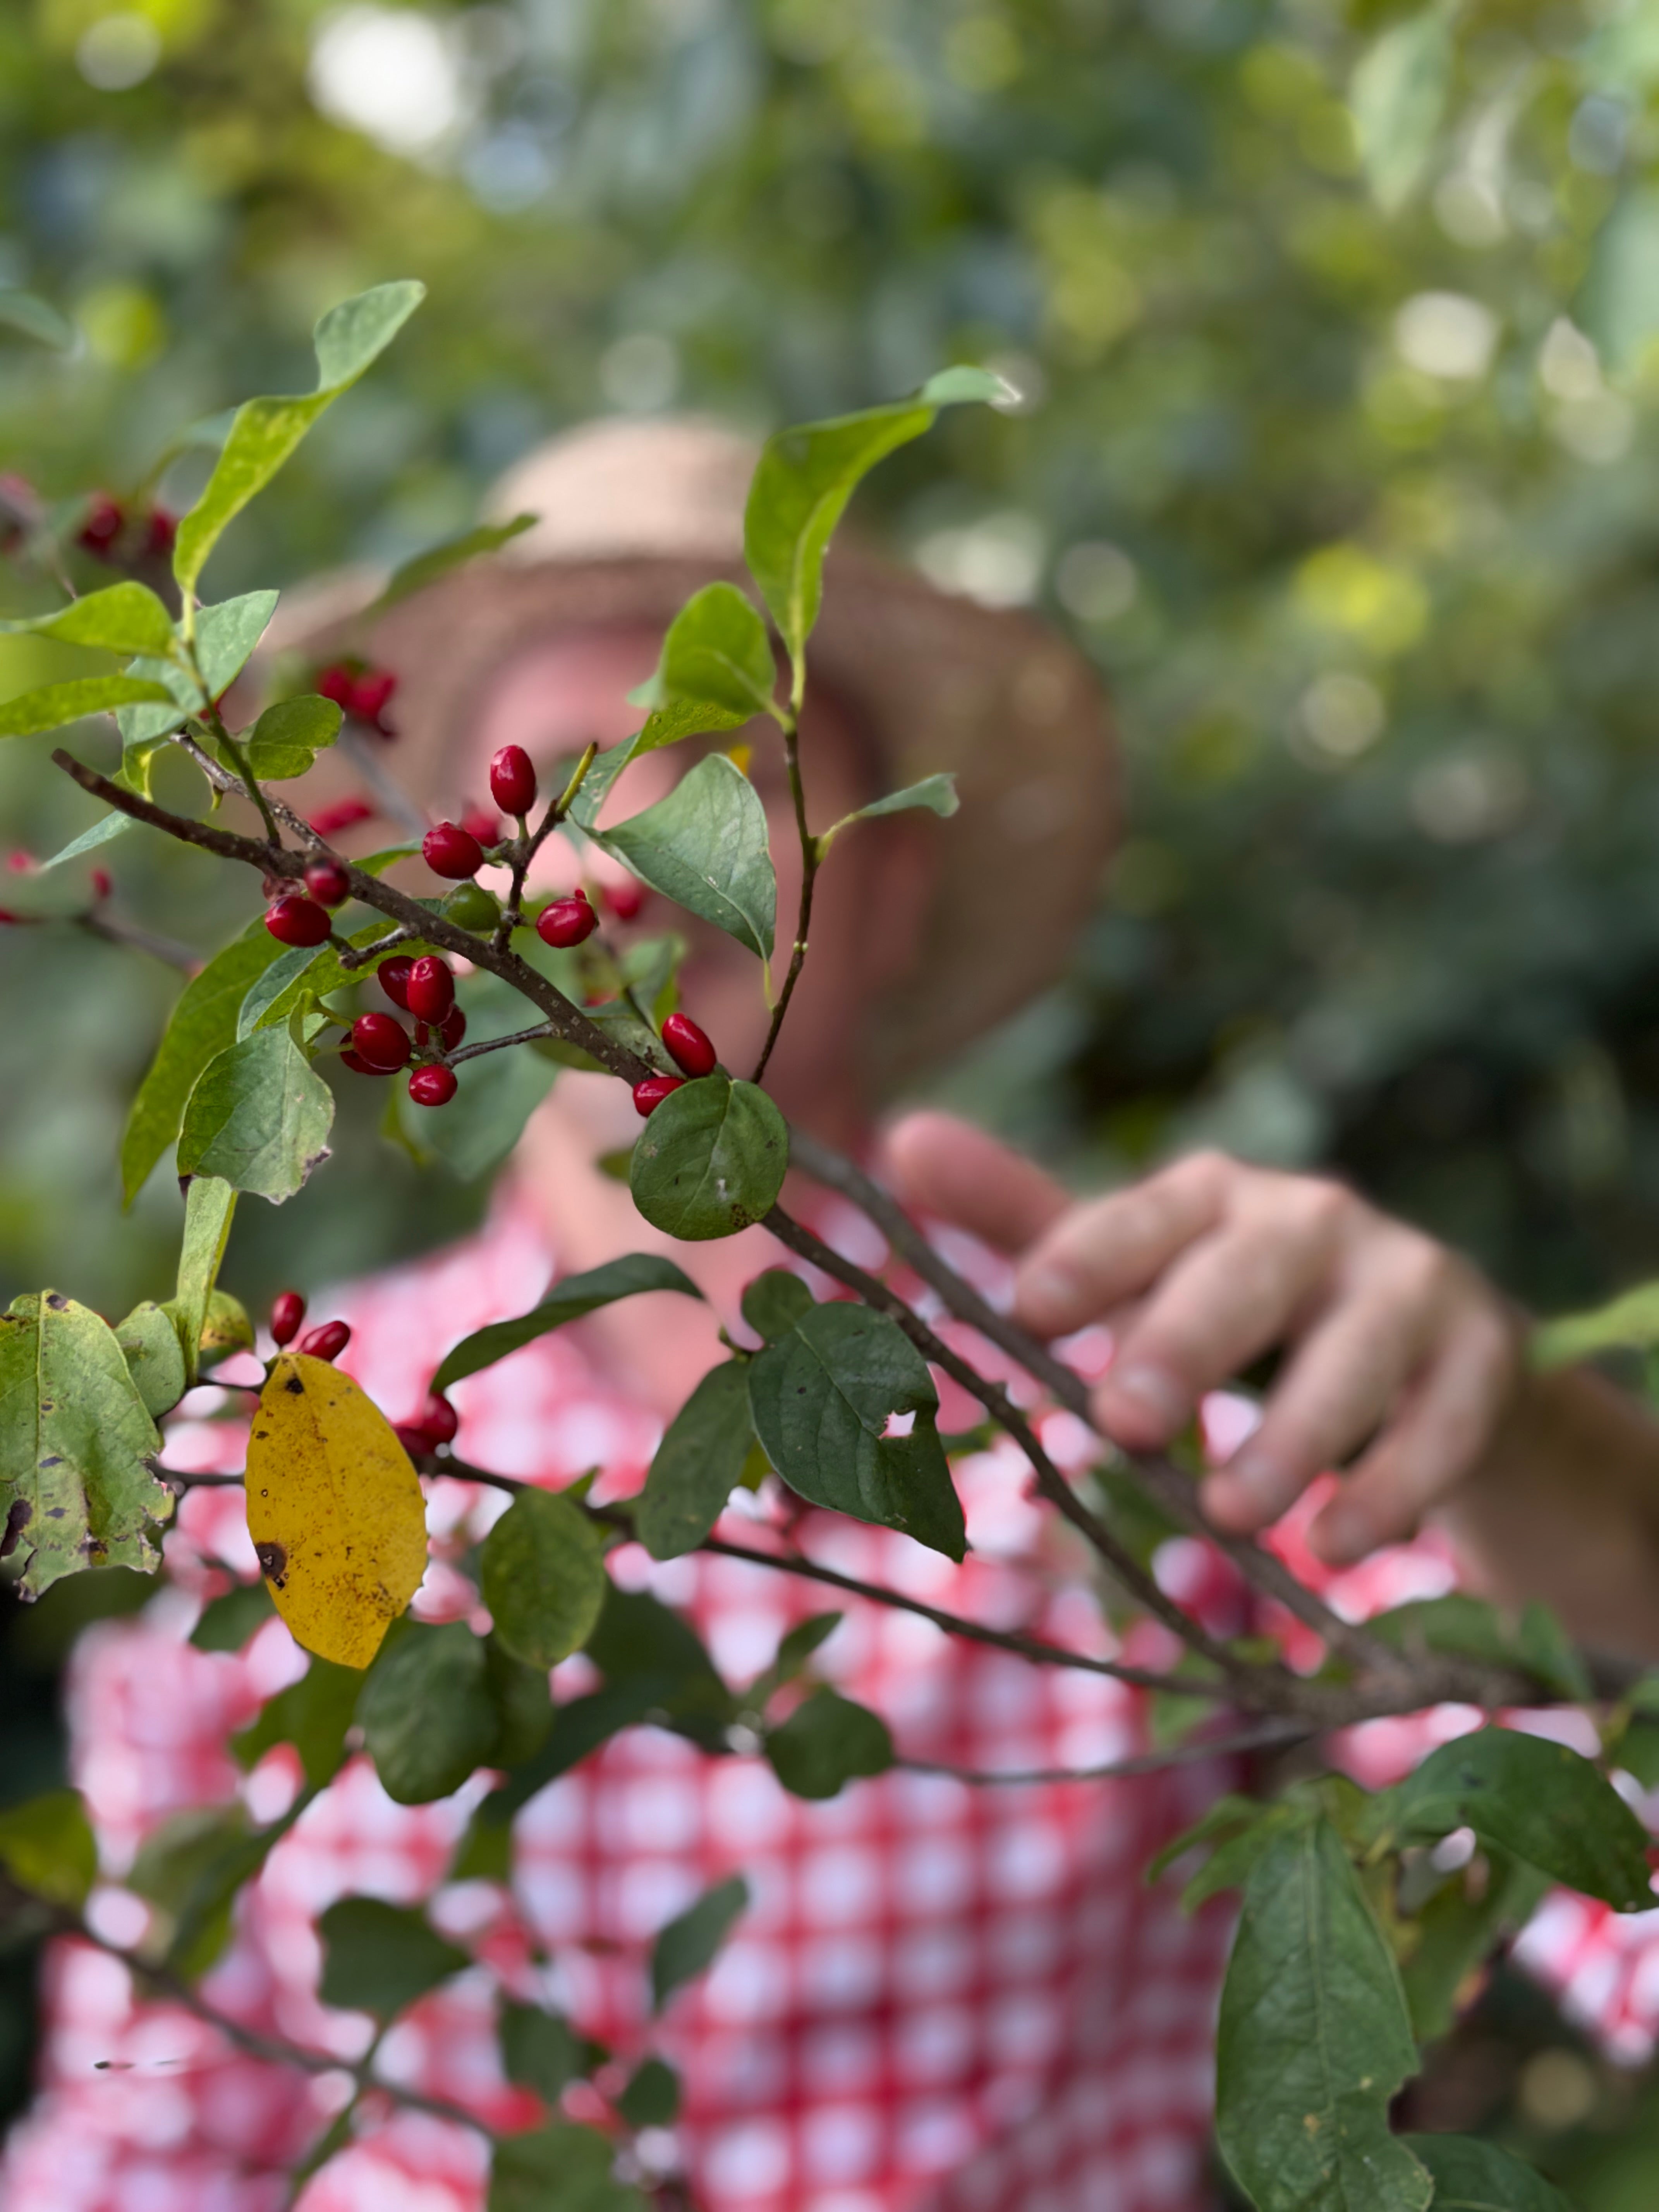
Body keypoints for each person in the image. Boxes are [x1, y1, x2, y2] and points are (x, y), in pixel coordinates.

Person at [7, 416, 1659, 2212]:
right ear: (436, 882)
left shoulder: (1149, 1412)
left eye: (714, 762)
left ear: (887, 866)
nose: (630, 841)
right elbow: (150, 2126)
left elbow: (1622, 1890)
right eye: (562, 774)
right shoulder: (294, 1444)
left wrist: (1525, 1453)